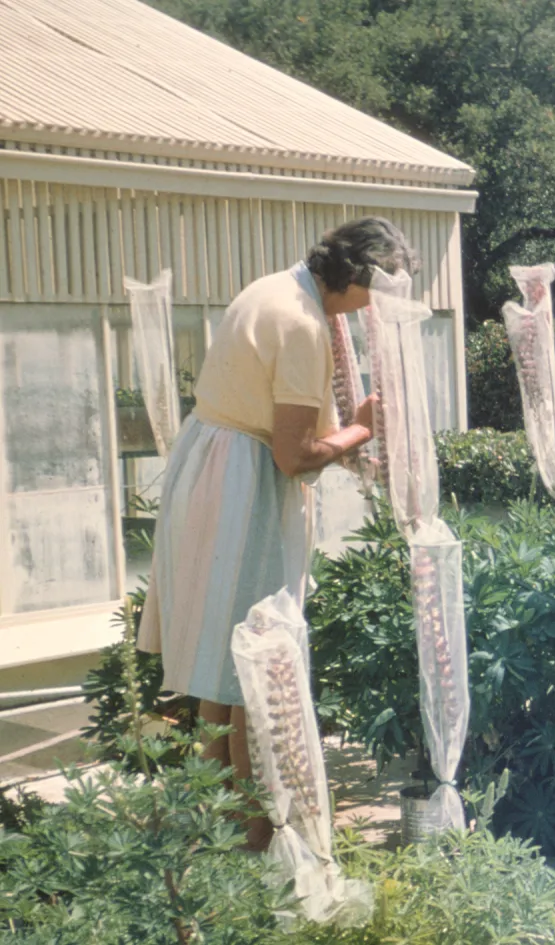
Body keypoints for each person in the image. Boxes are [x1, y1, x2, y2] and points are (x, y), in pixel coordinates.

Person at [136, 217, 417, 850]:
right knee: (251, 666)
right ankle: (255, 835)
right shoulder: (302, 324)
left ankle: (213, 825)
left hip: (212, 464)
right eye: (380, 293)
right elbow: (294, 456)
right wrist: (363, 427)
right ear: (358, 278)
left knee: (218, 663)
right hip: (241, 484)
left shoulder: (273, 289)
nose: (377, 309)